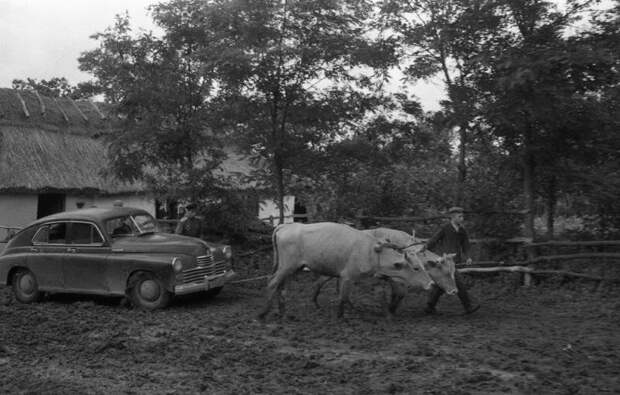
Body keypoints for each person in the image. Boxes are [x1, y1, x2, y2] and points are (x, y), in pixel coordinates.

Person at [424, 206, 480, 315]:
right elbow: (434, 239)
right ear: (453, 217)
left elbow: (466, 245)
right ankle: (468, 306)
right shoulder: (445, 228)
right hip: (445, 261)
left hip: (455, 261)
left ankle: (430, 307)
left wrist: (468, 256)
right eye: (460, 216)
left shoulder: (462, 230)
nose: (462, 219)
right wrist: (425, 248)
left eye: (462, 216)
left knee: (442, 285)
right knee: (458, 282)